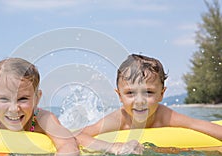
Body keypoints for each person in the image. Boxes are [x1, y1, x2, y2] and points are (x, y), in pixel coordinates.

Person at [76, 54, 222, 149]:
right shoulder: (119, 119)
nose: (140, 101)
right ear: (119, 96)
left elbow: (198, 125)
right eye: (130, 93)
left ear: (161, 94)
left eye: (149, 92)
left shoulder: (166, 116)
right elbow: (79, 135)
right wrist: (114, 147)